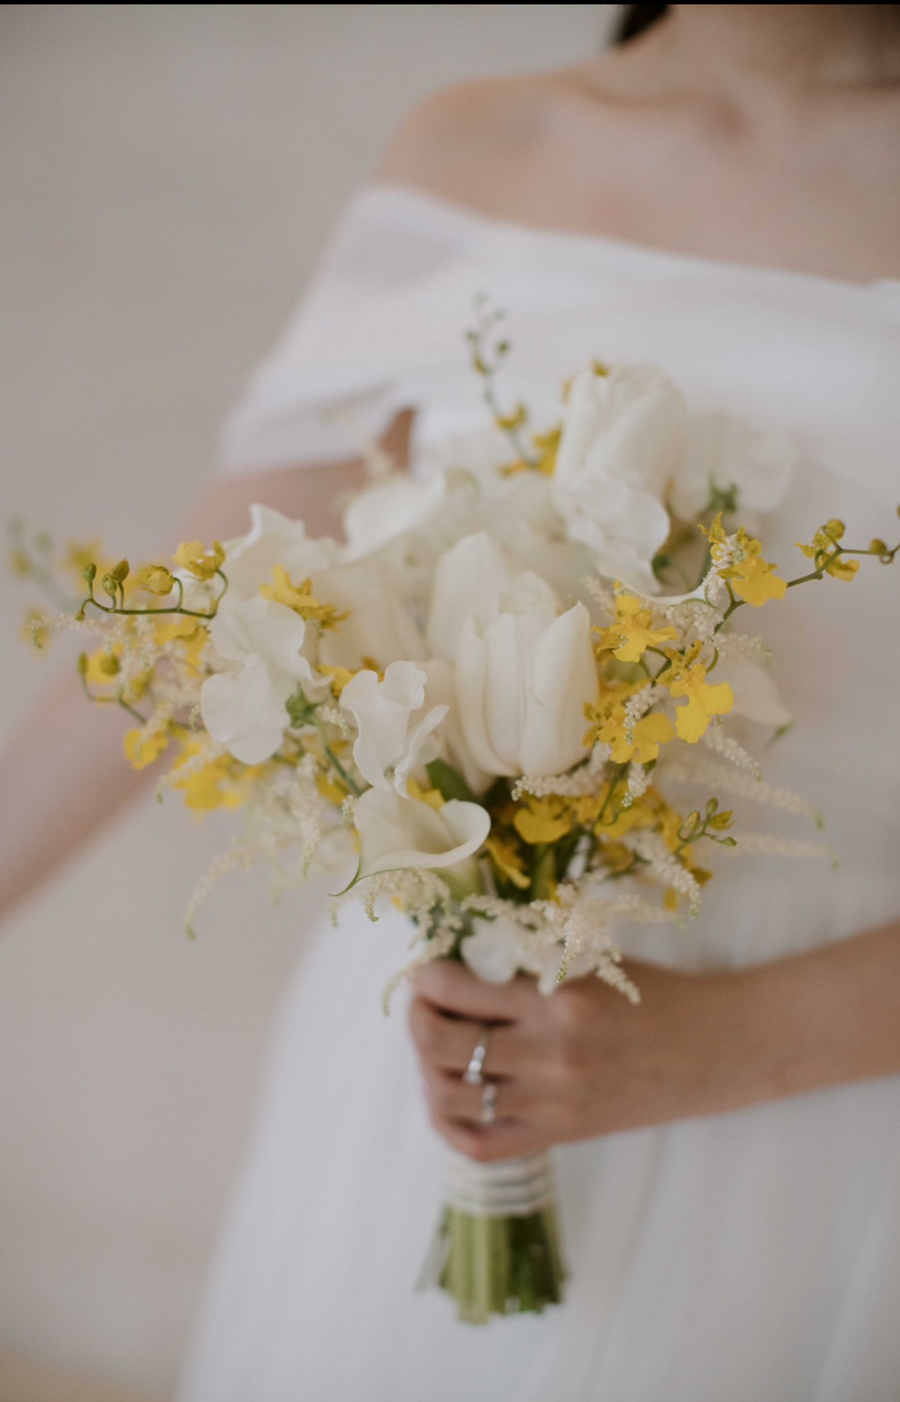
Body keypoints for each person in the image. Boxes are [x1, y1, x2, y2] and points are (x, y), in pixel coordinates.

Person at [3, 6, 900, 1398]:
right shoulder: (480, 148)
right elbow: (217, 608)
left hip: (837, 1099)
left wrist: (726, 1041)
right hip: (451, 1048)